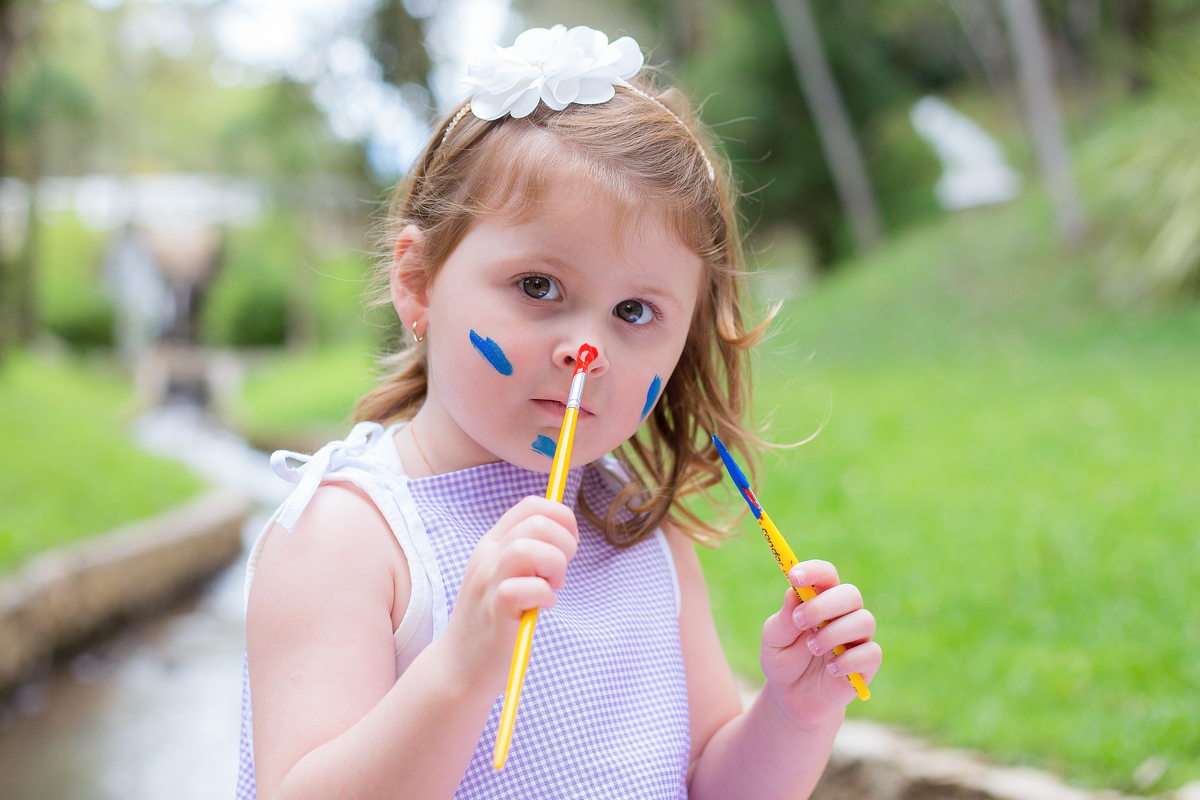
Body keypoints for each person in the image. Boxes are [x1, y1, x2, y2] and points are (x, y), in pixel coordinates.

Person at [238, 24, 881, 800]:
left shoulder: (640, 533)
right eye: (539, 287)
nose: (588, 351)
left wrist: (794, 712)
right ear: (419, 282)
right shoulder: (351, 537)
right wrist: (461, 666)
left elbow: (711, 784)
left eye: (636, 311)